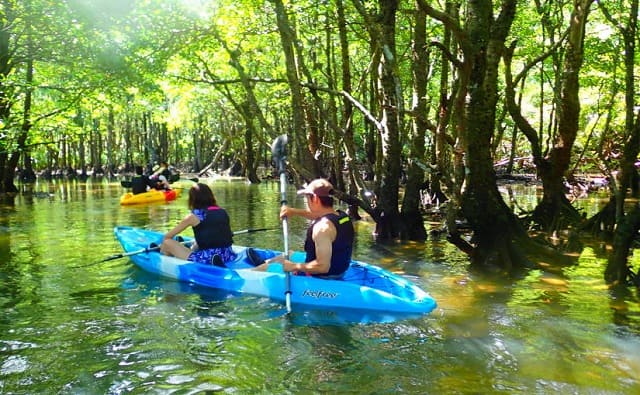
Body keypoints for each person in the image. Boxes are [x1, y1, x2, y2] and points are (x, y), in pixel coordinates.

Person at [252, 178, 354, 279]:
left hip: (324, 277)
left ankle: (247, 274)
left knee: (271, 267)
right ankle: (262, 264)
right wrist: (293, 211)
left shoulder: (322, 229)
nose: (307, 201)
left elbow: (323, 267)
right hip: (339, 268)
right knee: (290, 254)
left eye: (307, 198)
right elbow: (318, 215)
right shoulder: (341, 216)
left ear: (315, 199)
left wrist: (293, 266)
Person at [160, 183, 236, 267]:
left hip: (207, 258)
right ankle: (211, 259)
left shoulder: (194, 216)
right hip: (228, 255)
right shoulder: (222, 211)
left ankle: (167, 263)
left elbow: (167, 237)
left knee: (167, 242)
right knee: (197, 242)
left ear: (193, 199)